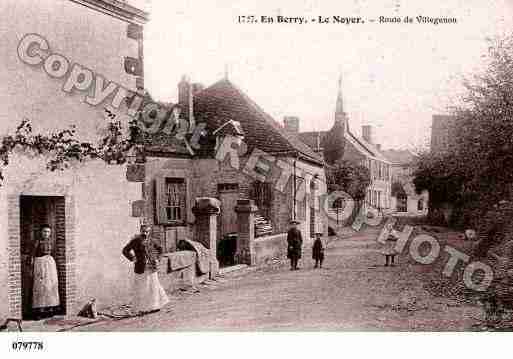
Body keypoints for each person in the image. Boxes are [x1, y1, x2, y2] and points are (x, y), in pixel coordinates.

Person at [122, 224, 169, 315]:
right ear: (140, 231)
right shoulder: (135, 241)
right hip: (141, 268)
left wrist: (157, 259)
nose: (145, 233)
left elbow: (161, 250)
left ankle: (155, 306)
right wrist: (132, 258)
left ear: (149, 232)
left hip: (151, 267)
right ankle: (143, 308)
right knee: (142, 288)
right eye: (143, 231)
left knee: (153, 287)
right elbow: (125, 250)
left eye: (147, 232)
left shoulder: (153, 241)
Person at [31, 224, 60, 320]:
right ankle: (39, 311)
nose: (46, 233)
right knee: (40, 287)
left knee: (50, 286)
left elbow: (54, 252)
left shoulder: (51, 242)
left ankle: (50, 308)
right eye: (44, 231)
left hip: (49, 264)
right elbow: (32, 255)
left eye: (48, 232)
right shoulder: (37, 242)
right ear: (41, 232)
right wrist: (31, 267)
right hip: (40, 264)